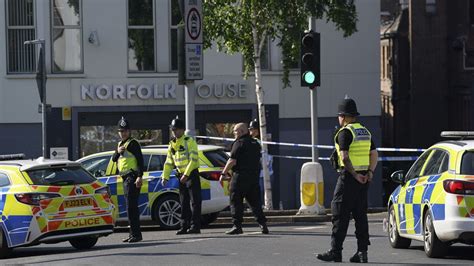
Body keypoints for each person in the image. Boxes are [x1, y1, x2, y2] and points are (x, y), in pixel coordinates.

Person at [317, 98, 378, 263]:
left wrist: (354, 174)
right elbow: (374, 154)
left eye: (339, 116)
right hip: (364, 179)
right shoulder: (365, 131)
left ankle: (335, 251)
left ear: (343, 116)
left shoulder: (345, 132)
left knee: (339, 214)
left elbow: (344, 157)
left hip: (349, 179)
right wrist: (370, 173)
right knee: (360, 215)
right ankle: (362, 253)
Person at [220, 123, 269, 235]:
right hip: (253, 177)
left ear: (242, 131)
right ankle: (263, 224)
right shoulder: (255, 143)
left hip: (240, 177)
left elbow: (232, 160)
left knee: (235, 200)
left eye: (235, 131)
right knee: (255, 202)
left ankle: (237, 226)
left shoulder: (239, 143)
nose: (234, 134)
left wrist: (223, 173)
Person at [161, 116, 202, 235]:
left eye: (177, 129)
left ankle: (195, 226)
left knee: (195, 202)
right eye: (173, 130)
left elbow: (193, 159)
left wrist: (186, 174)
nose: (175, 132)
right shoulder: (172, 144)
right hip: (180, 175)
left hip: (191, 174)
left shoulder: (189, 141)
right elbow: (169, 162)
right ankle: (184, 226)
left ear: (183, 130)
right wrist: (165, 177)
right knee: (183, 202)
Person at [112, 117, 144, 243]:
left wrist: (140, 176)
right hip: (125, 179)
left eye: (125, 131)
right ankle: (132, 234)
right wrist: (118, 152)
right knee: (129, 207)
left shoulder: (133, 143)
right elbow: (114, 159)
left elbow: (140, 160)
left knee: (132, 207)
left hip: (132, 177)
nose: (123, 133)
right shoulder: (120, 144)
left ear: (129, 131)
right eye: (121, 131)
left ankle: (136, 234)